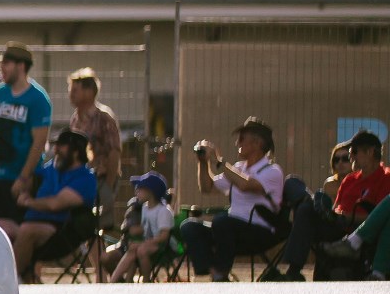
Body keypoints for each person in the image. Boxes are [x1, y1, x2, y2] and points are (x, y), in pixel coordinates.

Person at [177, 117, 285, 282]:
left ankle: (220, 272)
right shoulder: (238, 168)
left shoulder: (272, 170)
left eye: (242, 139)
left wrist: (218, 161)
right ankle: (210, 270)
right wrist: (203, 163)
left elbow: (246, 185)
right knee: (190, 226)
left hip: (259, 231)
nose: (237, 143)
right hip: (230, 231)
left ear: (257, 143)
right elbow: (208, 188)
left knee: (222, 221)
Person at [283, 129, 390, 280]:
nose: (351, 157)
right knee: (306, 208)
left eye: (353, 152)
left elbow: (380, 219)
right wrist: (330, 213)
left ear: (371, 152)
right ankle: (293, 270)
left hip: (358, 229)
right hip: (337, 226)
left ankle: (352, 245)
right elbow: (337, 208)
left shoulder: (385, 178)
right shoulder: (350, 180)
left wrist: (346, 217)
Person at [0, 129, 98, 281]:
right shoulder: (51, 169)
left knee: (27, 230)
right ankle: (17, 277)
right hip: (30, 224)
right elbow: (30, 180)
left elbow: (56, 204)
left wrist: (30, 202)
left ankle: (7, 281)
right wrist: (23, 186)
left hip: (60, 233)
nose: (55, 150)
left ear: (76, 152)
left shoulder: (85, 179)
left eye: (61, 146)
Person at [0, 43, 52, 222]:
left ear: (21, 66)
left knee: (15, 230)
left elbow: (39, 143)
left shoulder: (38, 99)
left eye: (6, 64)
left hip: (21, 179)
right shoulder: (0, 93)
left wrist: (23, 177)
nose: (1, 69)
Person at [109, 172, 175, 283]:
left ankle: (146, 280)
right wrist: (136, 230)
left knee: (141, 250)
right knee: (133, 248)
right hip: (151, 243)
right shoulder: (145, 208)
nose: (136, 192)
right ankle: (115, 281)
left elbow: (164, 236)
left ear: (151, 191)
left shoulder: (163, 211)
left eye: (140, 189)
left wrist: (146, 242)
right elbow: (147, 228)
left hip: (165, 247)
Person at [65, 68, 122, 193]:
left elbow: (114, 152)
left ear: (89, 92)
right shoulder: (75, 118)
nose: (70, 94)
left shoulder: (104, 118)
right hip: (79, 180)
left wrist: (108, 185)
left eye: (75, 90)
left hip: (101, 179)